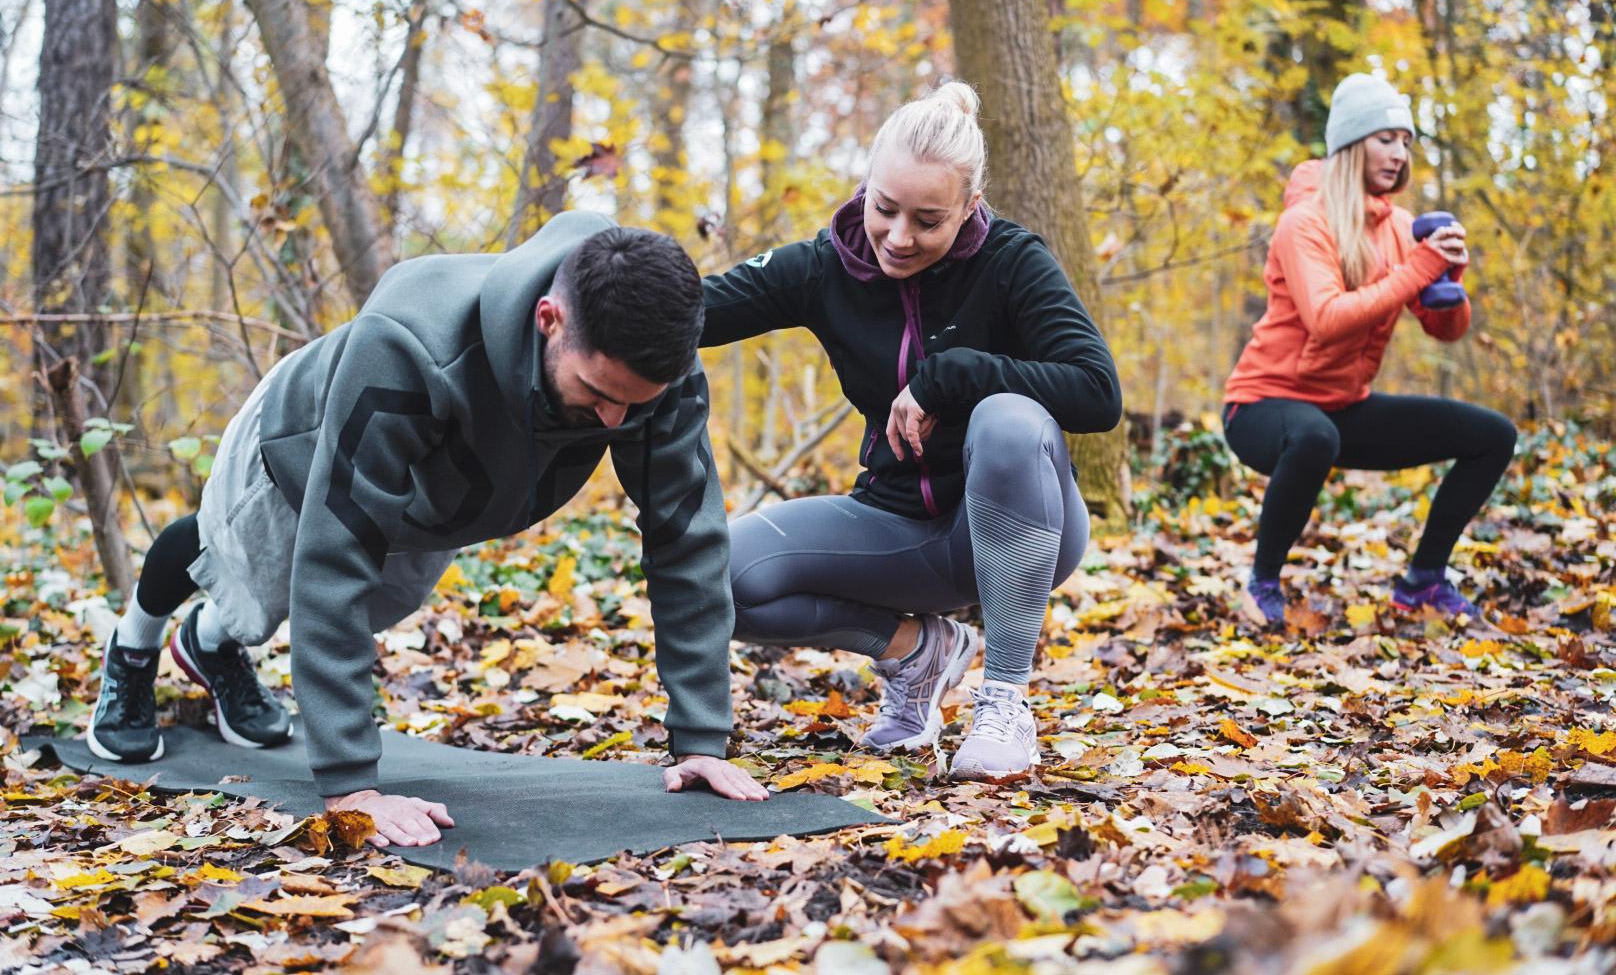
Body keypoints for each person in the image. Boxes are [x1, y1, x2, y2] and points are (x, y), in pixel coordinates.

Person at [87, 212, 767, 847]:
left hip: (433, 494)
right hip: (299, 443)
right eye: (598, 395)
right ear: (549, 320)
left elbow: (687, 538)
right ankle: (135, 646)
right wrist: (353, 786)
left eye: (635, 405)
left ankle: (210, 644)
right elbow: (336, 554)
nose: (618, 422)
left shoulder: (650, 359)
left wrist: (701, 737)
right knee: (244, 574)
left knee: (371, 606)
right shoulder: (409, 344)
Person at [701, 84, 1122, 779]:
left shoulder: (1013, 262)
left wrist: (950, 374)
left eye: (928, 221)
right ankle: (917, 653)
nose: (899, 237)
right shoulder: (824, 268)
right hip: (897, 531)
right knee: (717, 575)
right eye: (884, 209)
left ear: (969, 208)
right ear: (866, 187)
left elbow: (1098, 392)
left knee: (1006, 415)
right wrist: (582, 290)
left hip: (1024, 527)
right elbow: (699, 309)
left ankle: (1005, 704)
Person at [1222, 73, 1516, 629]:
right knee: (1313, 435)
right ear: (1351, 143)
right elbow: (1327, 319)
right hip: (1261, 406)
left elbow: (1445, 331)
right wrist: (1418, 270)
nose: (1398, 153)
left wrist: (1447, 282)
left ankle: (1424, 581)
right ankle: (1260, 585)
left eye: (1405, 141)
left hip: (1343, 406)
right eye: (1385, 138)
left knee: (1493, 435)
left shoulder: (1401, 228)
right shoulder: (1303, 222)